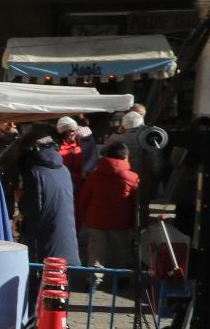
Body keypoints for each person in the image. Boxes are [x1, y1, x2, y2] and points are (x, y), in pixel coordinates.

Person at [19, 126, 83, 271]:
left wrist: (20, 198)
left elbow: (30, 208)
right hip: (65, 243)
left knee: (43, 289)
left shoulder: (34, 172)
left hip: (43, 247)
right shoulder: (64, 169)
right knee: (60, 287)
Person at [76, 142, 140, 273]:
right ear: (126, 157)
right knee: (121, 251)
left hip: (96, 221)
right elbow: (135, 204)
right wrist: (135, 225)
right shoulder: (132, 177)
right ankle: (120, 278)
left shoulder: (94, 176)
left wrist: (82, 218)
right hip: (121, 222)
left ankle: (93, 280)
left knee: (96, 252)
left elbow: (83, 198)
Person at [55, 115, 98, 190]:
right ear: (63, 132)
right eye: (72, 131)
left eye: (75, 130)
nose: (75, 132)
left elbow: (92, 155)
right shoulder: (57, 149)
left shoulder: (79, 144)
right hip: (65, 183)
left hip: (81, 181)